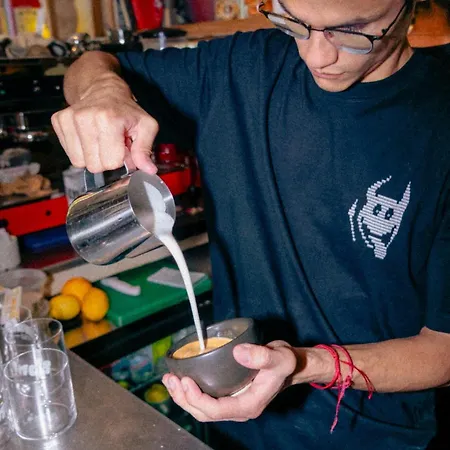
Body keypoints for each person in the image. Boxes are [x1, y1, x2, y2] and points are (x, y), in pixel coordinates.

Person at [52, 0, 450, 448]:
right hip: (233, 426)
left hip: (372, 435)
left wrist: (307, 364)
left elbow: (443, 349)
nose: (316, 55)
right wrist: (103, 91)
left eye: (353, 30)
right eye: (294, 22)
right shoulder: (239, 67)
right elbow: (90, 64)